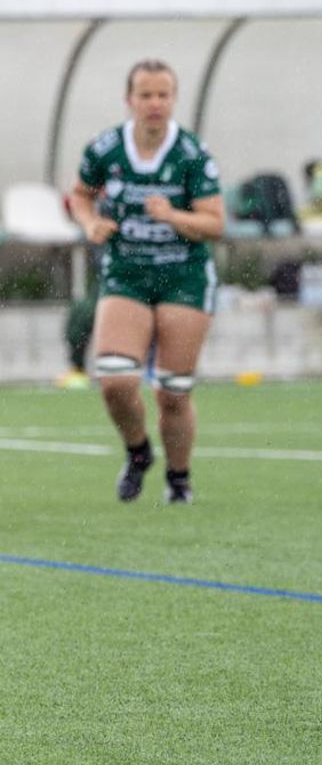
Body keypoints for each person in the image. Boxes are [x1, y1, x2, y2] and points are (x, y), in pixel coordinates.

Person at [68, 58, 225, 504]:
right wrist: (88, 223)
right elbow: (79, 194)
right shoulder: (105, 149)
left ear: (173, 99)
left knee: (173, 392)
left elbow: (215, 224)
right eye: (146, 95)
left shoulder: (192, 154)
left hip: (184, 275)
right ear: (129, 99)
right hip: (128, 274)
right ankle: (138, 453)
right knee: (115, 380)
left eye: (163, 95)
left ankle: (179, 479)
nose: (155, 103)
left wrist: (172, 215)